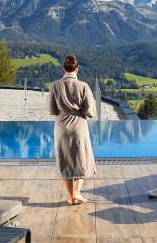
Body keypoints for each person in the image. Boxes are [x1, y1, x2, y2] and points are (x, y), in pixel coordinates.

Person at [48, 54, 97, 205]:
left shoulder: (55, 85)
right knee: (82, 159)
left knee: (65, 161)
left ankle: (70, 197)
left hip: (61, 127)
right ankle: (77, 193)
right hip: (79, 127)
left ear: (64, 69)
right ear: (77, 69)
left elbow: (51, 110)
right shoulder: (84, 86)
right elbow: (90, 112)